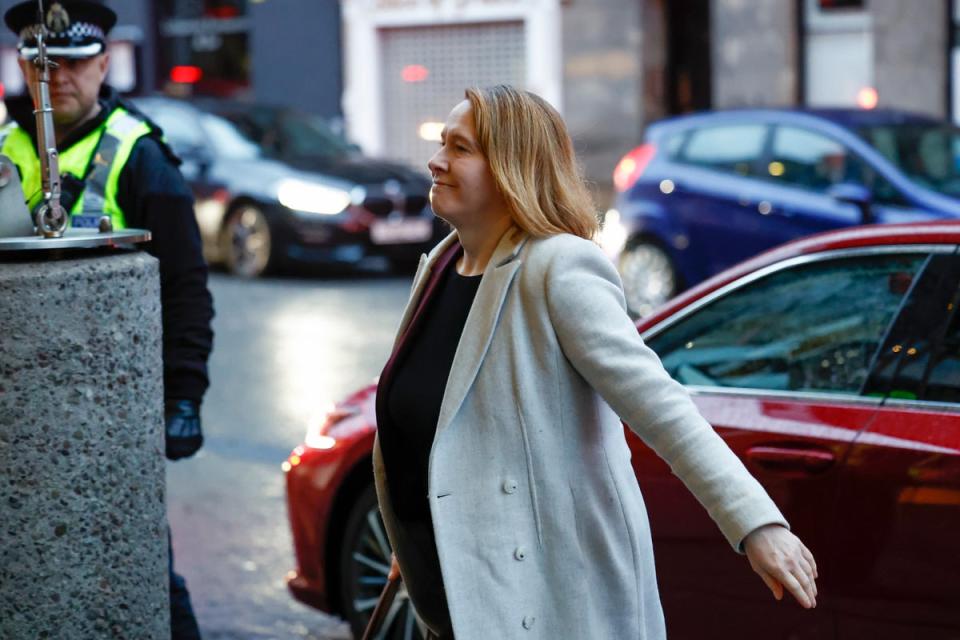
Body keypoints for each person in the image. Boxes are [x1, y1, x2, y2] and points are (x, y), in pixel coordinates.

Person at [372, 85, 818, 640]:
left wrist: (756, 524)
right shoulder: (442, 265)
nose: (436, 161)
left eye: (459, 148)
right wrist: (419, 538)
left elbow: (661, 406)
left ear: (513, 166)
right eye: (442, 143)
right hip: (460, 596)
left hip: (547, 600)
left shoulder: (559, 268)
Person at [1, 2, 214, 638]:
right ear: (21, 65)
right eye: (43, 66)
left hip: (102, 410)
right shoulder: (6, 146)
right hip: (16, 402)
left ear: (102, 64)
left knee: (133, 561)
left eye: (71, 65)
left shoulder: (139, 152)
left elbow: (185, 286)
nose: (56, 79)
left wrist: (185, 395)